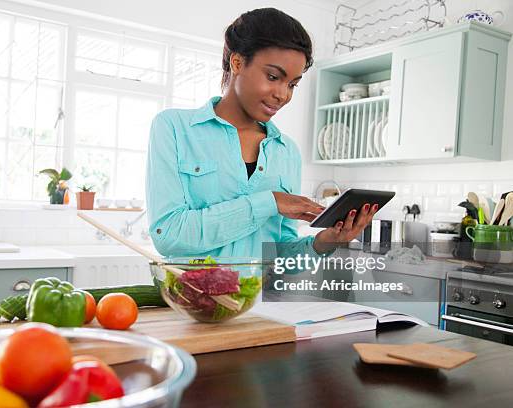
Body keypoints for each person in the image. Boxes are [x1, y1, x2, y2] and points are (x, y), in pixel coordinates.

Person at [146, 7, 378, 260]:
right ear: (237, 63)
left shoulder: (286, 151)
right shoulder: (173, 128)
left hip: (257, 299)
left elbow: (280, 256)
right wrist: (270, 202)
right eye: (272, 76)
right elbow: (168, 235)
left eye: (292, 84)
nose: (283, 94)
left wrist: (323, 242)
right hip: (189, 298)